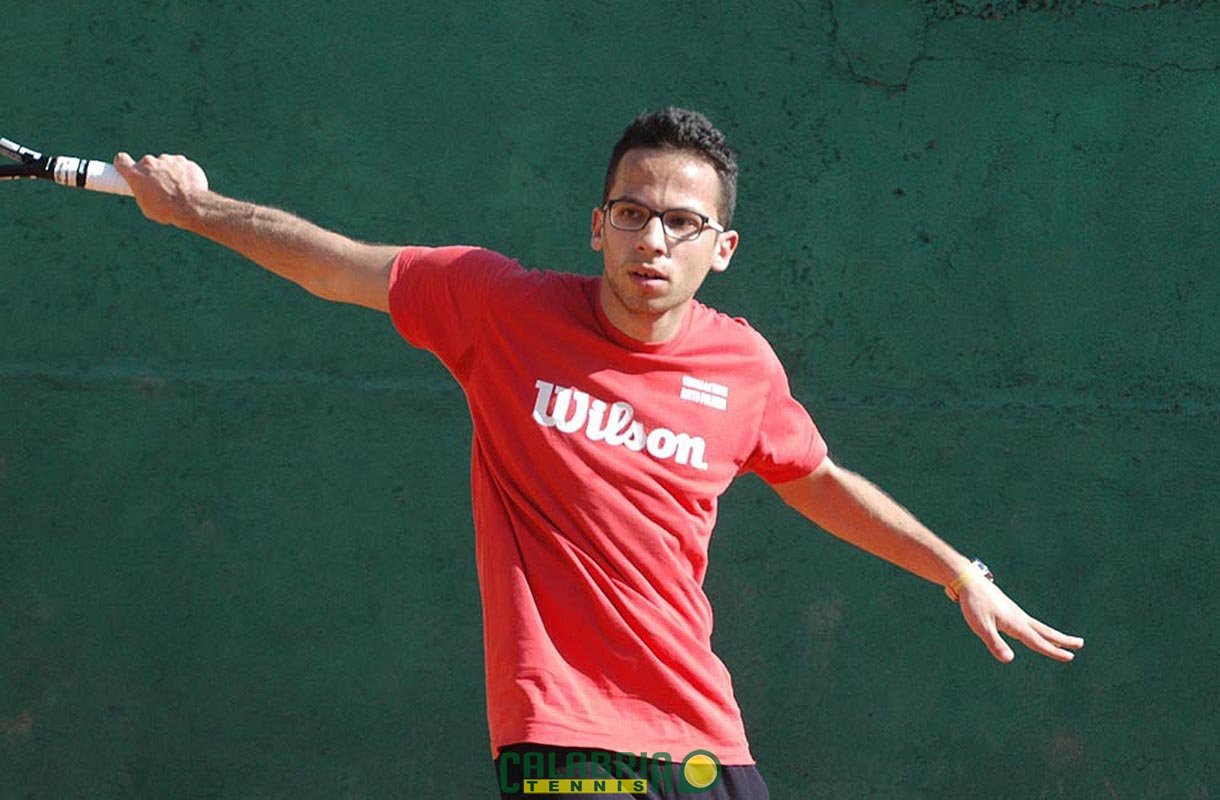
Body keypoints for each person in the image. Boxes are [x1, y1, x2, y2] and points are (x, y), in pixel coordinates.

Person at [113, 108, 1084, 799]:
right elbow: (334, 264)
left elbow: (814, 479)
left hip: (702, 739)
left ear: (722, 247)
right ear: (597, 225)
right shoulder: (498, 308)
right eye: (631, 212)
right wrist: (196, 207)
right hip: (563, 737)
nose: (651, 238)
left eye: (681, 221)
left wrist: (957, 570)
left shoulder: (742, 365)